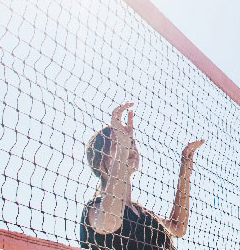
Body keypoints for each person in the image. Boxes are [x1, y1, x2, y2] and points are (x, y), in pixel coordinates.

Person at [80, 102, 204, 250]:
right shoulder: (95, 208)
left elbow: (177, 228)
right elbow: (109, 223)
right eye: (117, 143)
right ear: (99, 161)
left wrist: (185, 168)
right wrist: (122, 151)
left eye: (131, 142)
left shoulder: (142, 213)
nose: (129, 146)